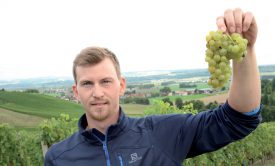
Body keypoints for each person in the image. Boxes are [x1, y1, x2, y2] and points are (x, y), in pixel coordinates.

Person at [45, 8, 262, 166]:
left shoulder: (163, 133)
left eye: (106, 81)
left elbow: (238, 119)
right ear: (76, 92)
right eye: (87, 84)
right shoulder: (58, 157)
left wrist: (245, 50)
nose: (97, 92)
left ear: (121, 86)